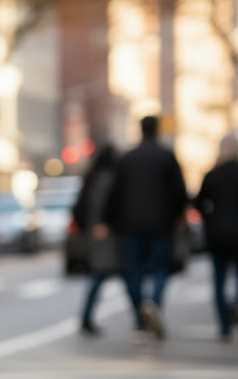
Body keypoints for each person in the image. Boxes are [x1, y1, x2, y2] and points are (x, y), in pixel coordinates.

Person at [97, 115, 188, 339]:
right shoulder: (166, 156)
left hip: (132, 224)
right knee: (161, 269)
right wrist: (179, 215)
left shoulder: (128, 159)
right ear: (157, 130)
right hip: (161, 223)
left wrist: (107, 220)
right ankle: (153, 305)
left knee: (135, 270)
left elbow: (114, 193)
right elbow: (179, 191)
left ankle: (140, 316)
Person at [72, 144, 119, 335]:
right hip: (110, 238)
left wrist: (87, 229)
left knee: (98, 277)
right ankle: (141, 321)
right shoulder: (110, 179)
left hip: (95, 237)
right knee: (115, 276)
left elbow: (78, 210)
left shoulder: (91, 178)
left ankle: (86, 318)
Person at [195, 132, 238, 340]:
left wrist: (210, 219)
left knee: (219, 280)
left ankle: (224, 324)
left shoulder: (212, 174)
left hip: (217, 233)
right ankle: (234, 309)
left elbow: (198, 203)